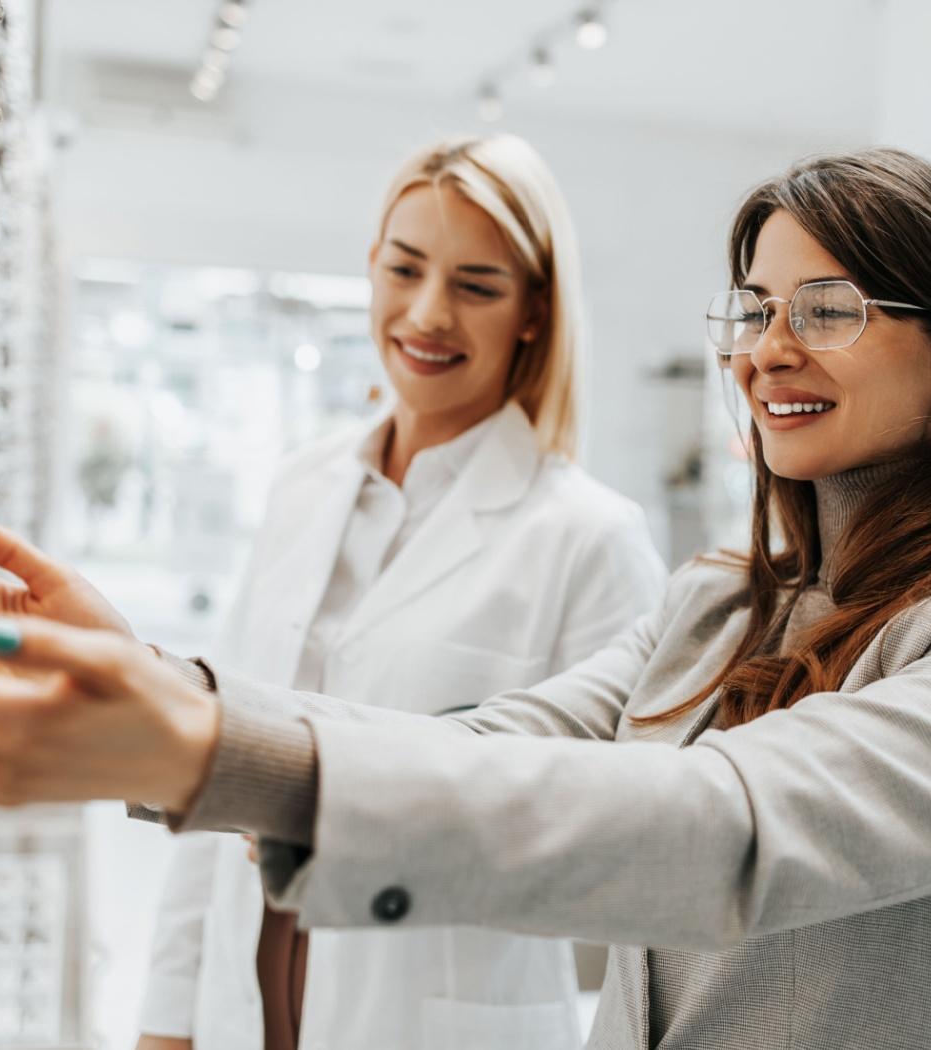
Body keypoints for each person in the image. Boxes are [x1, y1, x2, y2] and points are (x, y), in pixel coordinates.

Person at [0, 147, 931, 1049]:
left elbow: (727, 827)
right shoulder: (722, 607)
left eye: (828, 304)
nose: (769, 347)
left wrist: (200, 746)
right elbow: (486, 742)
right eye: (750, 308)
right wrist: (175, 692)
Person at [131, 134, 665, 1050]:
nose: (427, 314)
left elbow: (621, 849)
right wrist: (166, 1022)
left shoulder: (590, 539)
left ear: (534, 310)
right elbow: (217, 772)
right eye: (404, 268)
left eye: (476, 286)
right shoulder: (302, 488)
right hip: (244, 1004)